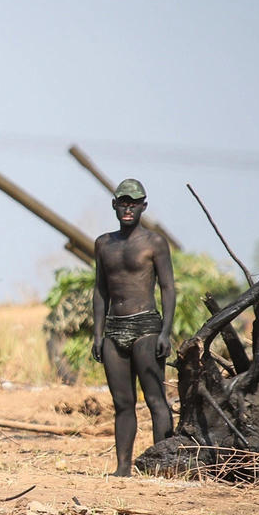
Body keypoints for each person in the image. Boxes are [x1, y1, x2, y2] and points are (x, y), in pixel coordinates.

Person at [91, 178, 176, 477]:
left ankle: (163, 467)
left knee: (155, 400)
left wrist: (165, 332)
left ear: (143, 207)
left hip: (146, 327)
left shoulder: (155, 243)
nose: (128, 208)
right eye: (123, 203)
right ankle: (123, 469)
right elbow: (100, 290)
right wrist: (98, 334)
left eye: (134, 204)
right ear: (115, 205)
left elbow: (167, 287)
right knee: (123, 403)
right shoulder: (103, 243)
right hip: (114, 329)